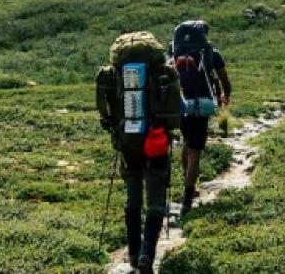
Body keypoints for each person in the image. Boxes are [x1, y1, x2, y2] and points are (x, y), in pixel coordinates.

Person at [95, 31, 183, 273]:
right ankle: (147, 255)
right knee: (155, 202)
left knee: (132, 198)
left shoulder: (114, 74)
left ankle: (133, 254)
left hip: (127, 143)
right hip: (155, 142)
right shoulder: (163, 73)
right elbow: (175, 117)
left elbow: (106, 113)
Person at [170, 19, 231, 220]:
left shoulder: (174, 52)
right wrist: (225, 97)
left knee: (187, 141)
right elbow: (224, 80)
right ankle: (188, 198)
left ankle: (188, 183)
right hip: (201, 104)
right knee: (195, 150)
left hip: (179, 104)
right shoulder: (211, 54)